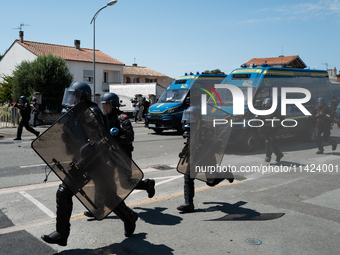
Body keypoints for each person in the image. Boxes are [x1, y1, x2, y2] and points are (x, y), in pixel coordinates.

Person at [41, 82, 139, 247]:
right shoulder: (76, 114)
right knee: (64, 193)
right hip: (84, 162)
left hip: (98, 163)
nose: (70, 99)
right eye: (69, 95)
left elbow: (98, 140)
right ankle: (61, 234)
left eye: (74, 95)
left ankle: (129, 217)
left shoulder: (92, 112)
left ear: (83, 97)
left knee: (108, 198)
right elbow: (71, 145)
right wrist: (67, 128)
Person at [177, 106, 234, 213]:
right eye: (188, 116)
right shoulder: (190, 127)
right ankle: (189, 204)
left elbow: (213, 144)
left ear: (197, 116)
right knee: (188, 177)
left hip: (207, 158)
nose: (189, 118)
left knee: (211, 182)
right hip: (194, 157)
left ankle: (226, 174)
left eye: (191, 116)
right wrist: (184, 152)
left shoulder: (206, 128)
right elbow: (190, 143)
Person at [257, 97, 284, 163]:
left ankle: (268, 156)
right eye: (266, 104)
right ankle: (279, 154)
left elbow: (282, 119)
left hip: (273, 129)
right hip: (266, 129)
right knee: (271, 143)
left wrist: (276, 120)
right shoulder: (263, 111)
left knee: (268, 141)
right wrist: (258, 117)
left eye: (268, 104)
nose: (267, 105)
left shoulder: (275, 111)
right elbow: (260, 119)